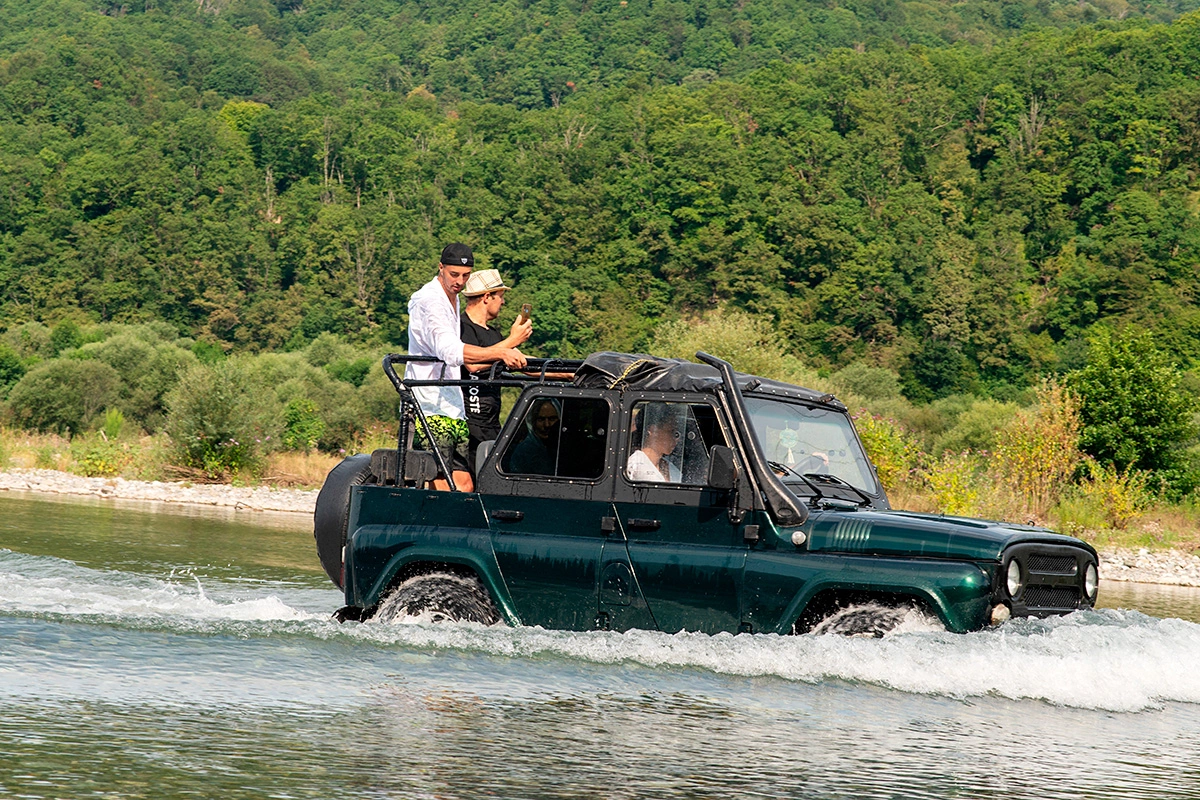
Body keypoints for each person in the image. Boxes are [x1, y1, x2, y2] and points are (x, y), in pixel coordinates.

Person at [406, 243, 527, 491]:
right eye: (454, 274)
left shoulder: (453, 300)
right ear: (440, 268)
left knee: (464, 483)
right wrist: (504, 349)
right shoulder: (429, 300)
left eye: (465, 276)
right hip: (428, 405)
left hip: (452, 404)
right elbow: (450, 350)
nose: (460, 282)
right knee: (443, 484)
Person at [460, 268, 532, 469]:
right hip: (469, 424)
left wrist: (570, 373)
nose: (503, 302)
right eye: (500, 297)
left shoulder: (493, 334)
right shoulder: (461, 326)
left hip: (492, 425)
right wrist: (512, 340)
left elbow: (523, 362)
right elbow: (472, 364)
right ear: (486, 297)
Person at [625, 403, 682, 483]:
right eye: (671, 432)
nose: (676, 439)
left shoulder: (671, 468)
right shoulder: (636, 466)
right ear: (652, 430)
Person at [506, 398, 561, 475]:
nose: (547, 425)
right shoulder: (525, 452)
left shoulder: (565, 448)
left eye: (552, 419)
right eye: (541, 419)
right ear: (532, 421)